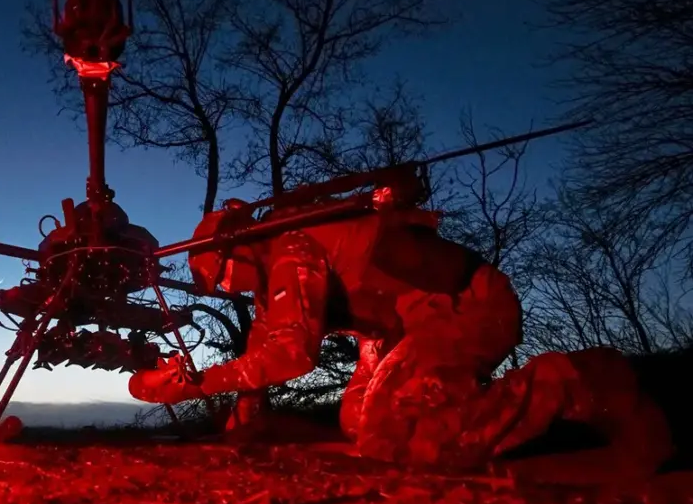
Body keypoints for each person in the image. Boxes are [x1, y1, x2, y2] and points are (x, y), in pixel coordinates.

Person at [129, 185, 674, 474]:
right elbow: (262, 354)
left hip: (462, 308)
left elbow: (292, 355)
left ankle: (577, 381)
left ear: (237, 250)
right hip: (404, 329)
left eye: (222, 276)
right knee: (357, 421)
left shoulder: (289, 249)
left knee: (394, 439)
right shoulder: (275, 274)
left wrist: (195, 385)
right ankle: (462, 403)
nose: (228, 288)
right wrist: (242, 422)